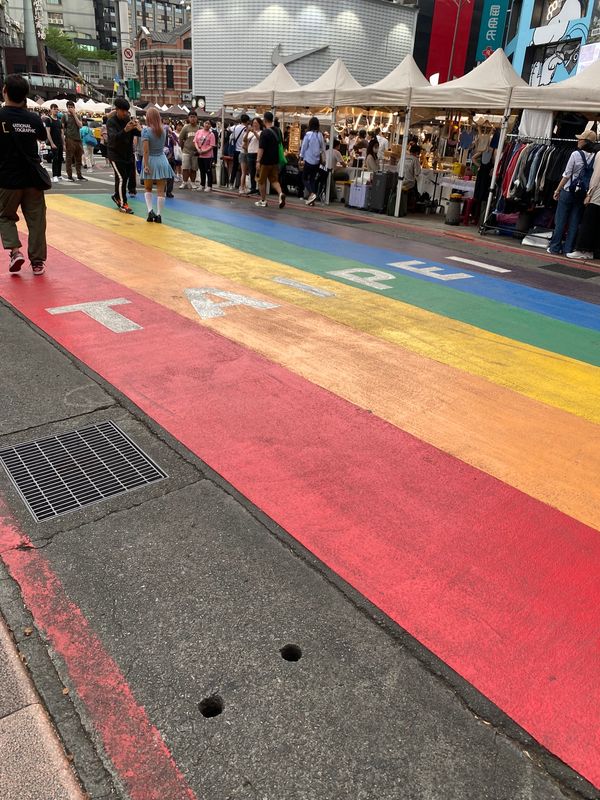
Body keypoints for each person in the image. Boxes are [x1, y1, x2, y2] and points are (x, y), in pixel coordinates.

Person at [0, 74, 49, 275]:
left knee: (4, 216)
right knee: (37, 221)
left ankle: (15, 251)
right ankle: (37, 262)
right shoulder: (33, 118)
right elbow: (42, 136)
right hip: (33, 179)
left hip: (8, 178)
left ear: (4, 91)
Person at [547, 130, 597, 256]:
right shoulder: (595, 156)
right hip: (582, 193)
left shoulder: (575, 154)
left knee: (561, 220)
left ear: (585, 142)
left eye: (580, 139)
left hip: (569, 190)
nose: (578, 141)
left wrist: (557, 189)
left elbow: (567, 174)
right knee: (574, 222)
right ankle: (568, 248)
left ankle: (554, 247)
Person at [107, 97, 140, 214]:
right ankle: (122, 203)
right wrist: (125, 130)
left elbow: (137, 133)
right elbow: (113, 139)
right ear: (117, 110)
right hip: (115, 154)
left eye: (127, 111)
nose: (125, 113)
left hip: (127, 154)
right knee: (122, 178)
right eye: (123, 111)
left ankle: (117, 196)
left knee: (124, 177)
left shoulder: (127, 119)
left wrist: (138, 127)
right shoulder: (111, 122)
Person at [142, 107, 175, 223]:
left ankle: (150, 211)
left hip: (150, 160)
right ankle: (159, 215)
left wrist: (145, 164)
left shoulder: (145, 131)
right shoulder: (163, 130)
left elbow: (146, 150)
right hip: (162, 160)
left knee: (148, 188)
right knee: (161, 190)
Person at [567, 152, 600, 259]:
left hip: (597, 195)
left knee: (588, 222)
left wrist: (589, 194)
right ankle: (592, 251)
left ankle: (582, 249)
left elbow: (596, 175)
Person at [255, 110, 285, 209]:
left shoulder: (264, 133)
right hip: (275, 161)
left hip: (265, 161)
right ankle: (280, 194)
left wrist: (258, 161)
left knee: (261, 181)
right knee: (274, 180)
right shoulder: (278, 130)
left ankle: (263, 200)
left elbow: (261, 148)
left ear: (264, 120)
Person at [300, 116, 325, 206]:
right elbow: (323, 148)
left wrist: (301, 157)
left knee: (304, 178)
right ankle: (312, 200)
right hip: (317, 161)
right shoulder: (320, 135)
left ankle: (312, 193)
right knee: (312, 180)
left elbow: (304, 147)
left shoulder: (308, 134)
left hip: (308, 160)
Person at [63, 100, 86, 182]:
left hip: (78, 139)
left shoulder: (78, 116)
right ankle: (69, 176)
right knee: (69, 158)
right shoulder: (64, 116)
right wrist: (63, 142)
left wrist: (74, 115)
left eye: (72, 107)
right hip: (69, 139)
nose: (70, 109)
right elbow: (62, 129)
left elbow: (80, 125)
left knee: (78, 158)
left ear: (74, 107)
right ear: (67, 108)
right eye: (69, 107)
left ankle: (79, 175)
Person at [178, 110, 200, 189]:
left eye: (194, 117)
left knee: (194, 168)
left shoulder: (199, 129)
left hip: (195, 152)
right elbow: (180, 139)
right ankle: (184, 182)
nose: (193, 119)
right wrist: (183, 147)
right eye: (191, 117)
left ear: (197, 118)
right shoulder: (185, 128)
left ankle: (193, 183)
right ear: (188, 118)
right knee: (185, 168)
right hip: (186, 151)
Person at [194, 119, 216, 191]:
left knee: (208, 170)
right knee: (202, 170)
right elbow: (195, 141)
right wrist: (198, 149)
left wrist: (204, 151)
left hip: (208, 156)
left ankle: (209, 185)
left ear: (210, 126)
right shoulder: (199, 131)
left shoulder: (211, 134)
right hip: (200, 154)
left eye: (209, 124)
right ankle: (202, 184)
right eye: (206, 123)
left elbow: (212, 145)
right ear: (203, 123)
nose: (207, 125)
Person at [45, 103, 64, 183]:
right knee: (55, 159)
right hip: (54, 142)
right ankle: (54, 176)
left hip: (60, 142)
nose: (56, 110)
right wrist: (52, 143)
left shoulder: (59, 121)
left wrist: (63, 144)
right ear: (51, 110)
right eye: (54, 109)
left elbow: (62, 133)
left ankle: (59, 175)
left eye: (57, 109)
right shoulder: (48, 119)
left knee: (60, 159)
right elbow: (48, 132)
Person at [229, 113, 249, 188]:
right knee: (243, 170)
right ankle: (241, 185)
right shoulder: (246, 129)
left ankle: (231, 184)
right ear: (247, 121)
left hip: (235, 150)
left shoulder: (235, 127)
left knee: (234, 167)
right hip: (243, 151)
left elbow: (230, 132)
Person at [245, 118, 262, 195]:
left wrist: (254, 132)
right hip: (250, 153)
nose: (254, 124)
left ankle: (259, 188)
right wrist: (247, 132)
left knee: (258, 172)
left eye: (256, 123)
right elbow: (245, 140)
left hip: (257, 153)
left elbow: (260, 140)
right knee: (251, 172)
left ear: (259, 124)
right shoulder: (250, 133)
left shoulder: (261, 132)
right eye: (253, 123)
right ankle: (253, 188)